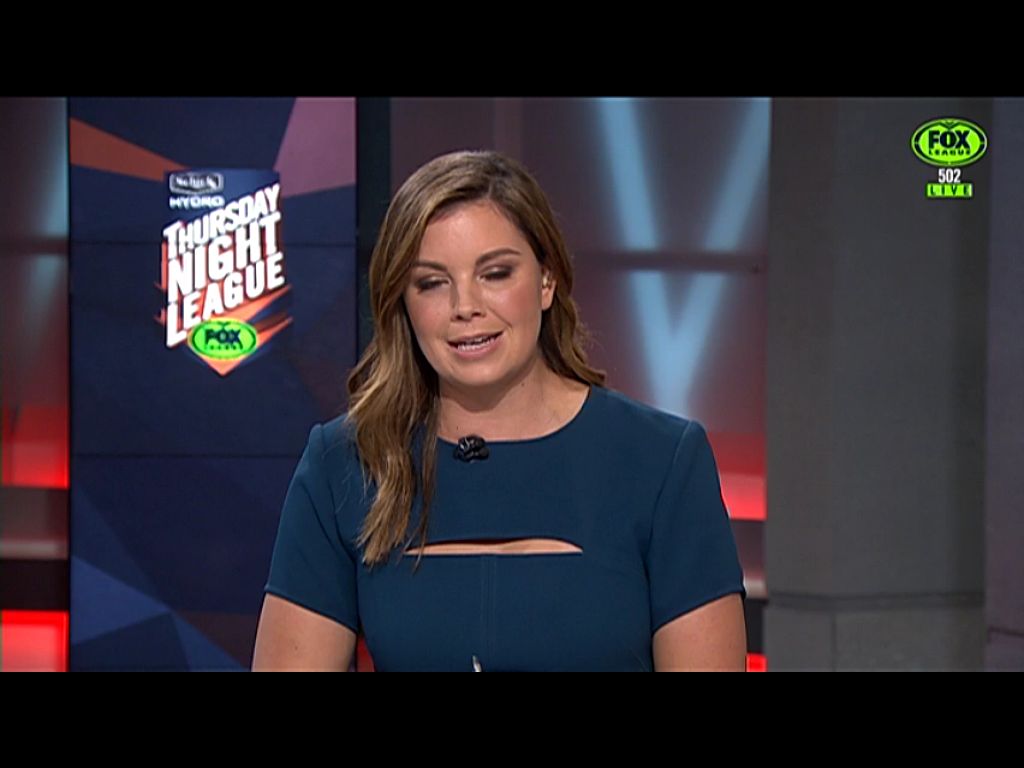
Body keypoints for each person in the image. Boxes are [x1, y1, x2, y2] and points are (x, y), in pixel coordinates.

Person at [252, 150, 747, 671]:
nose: (465, 306)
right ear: (403, 301)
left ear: (546, 280)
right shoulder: (345, 465)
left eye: (495, 273)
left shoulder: (660, 462)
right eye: (432, 282)